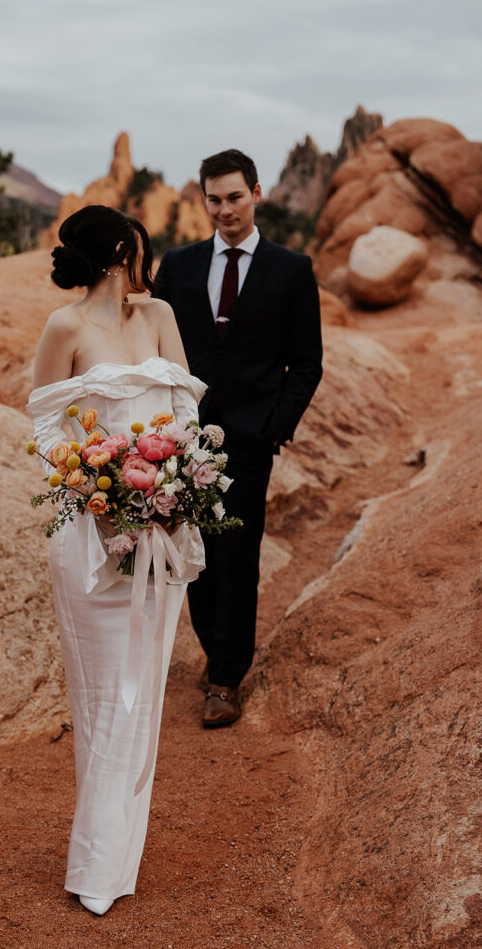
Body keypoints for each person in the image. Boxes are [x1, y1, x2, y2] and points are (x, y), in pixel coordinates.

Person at [26, 205, 206, 916]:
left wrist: (177, 487)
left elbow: (187, 411)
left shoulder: (158, 313)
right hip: (91, 536)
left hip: (161, 528)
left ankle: (114, 857)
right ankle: (94, 863)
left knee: (146, 690)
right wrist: (94, 492)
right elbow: (45, 425)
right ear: (124, 249)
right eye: (142, 245)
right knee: (107, 694)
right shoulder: (64, 327)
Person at [154, 149, 323, 728]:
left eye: (234, 197)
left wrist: (274, 426)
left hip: (250, 438)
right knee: (194, 553)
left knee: (238, 552)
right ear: (203, 200)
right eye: (214, 199)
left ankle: (226, 676)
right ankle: (213, 648)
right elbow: (154, 341)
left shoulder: (292, 269)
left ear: (256, 193)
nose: (224, 209)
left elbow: (306, 363)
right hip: (184, 435)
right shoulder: (177, 265)